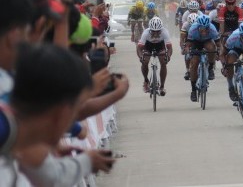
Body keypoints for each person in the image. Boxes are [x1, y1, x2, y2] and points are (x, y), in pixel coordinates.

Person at [1, 43, 115, 187]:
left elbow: (50, 174)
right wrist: (87, 161)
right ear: (61, 113)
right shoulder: (14, 137)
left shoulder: (13, 137)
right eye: (73, 117)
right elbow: (51, 177)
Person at [185, 15, 219, 102]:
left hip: (207, 41)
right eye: (202, 29)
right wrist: (188, 51)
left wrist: (218, 53)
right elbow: (188, 43)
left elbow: (218, 44)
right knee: (194, 63)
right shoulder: (193, 29)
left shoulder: (212, 29)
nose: (204, 31)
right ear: (198, 26)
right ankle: (193, 90)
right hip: (196, 42)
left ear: (209, 27)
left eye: (206, 29)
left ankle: (210, 67)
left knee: (212, 49)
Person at [136, 16, 172, 96]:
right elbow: (139, 48)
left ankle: (162, 86)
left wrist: (168, 56)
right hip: (148, 45)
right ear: (150, 29)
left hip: (160, 45)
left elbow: (169, 48)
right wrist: (141, 56)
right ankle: (146, 80)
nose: (155, 33)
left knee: (163, 62)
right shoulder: (145, 33)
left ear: (161, 29)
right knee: (145, 61)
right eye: (153, 31)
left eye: (158, 31)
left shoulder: (165, 32)